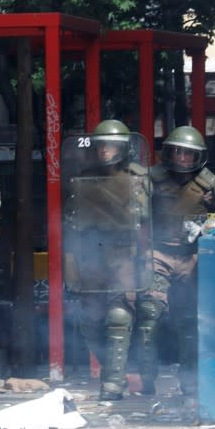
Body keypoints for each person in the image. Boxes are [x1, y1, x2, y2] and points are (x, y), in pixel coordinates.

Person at [62, 120, 152, 400]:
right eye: (102, 145)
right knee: (88, 321)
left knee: (118, 316)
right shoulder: (84, 178)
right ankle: (113, 371)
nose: (105, 151)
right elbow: (70, 218)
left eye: (112, 145)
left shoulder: (138, 177)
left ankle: (112, 383)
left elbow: (145, 216)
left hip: (122, 254)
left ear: (123, 148)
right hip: (91, 253)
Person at [134, 125, 215, 395]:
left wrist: (214, 204)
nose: (183, 159)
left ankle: (190, 382)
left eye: (189, 155)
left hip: (192, 256)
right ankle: (147, 379)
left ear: (198, 157)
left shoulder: (212, 183)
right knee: (149, 314)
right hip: (158, 253)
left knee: (189, 320)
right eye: (177, 153)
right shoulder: (152, 178)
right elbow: (136, 213)